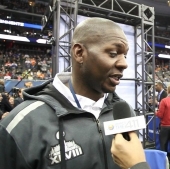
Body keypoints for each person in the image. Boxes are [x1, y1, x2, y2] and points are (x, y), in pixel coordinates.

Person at [0, 18, 133, 169]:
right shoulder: (20, 126)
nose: (124, 63)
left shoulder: (124, 112)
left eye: (125, 55)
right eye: (113, 53)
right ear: (79, 53)